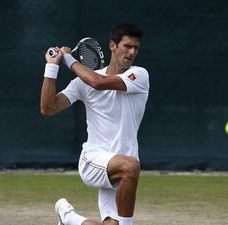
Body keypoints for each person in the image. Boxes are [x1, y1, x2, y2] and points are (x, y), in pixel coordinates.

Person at [40, 23, 149, 225]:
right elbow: (48, 108)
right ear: (112, 46)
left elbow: (97, 82)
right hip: (94, 159)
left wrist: (69, 59)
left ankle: (69, 218)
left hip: (122, 170)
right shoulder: (82, 83)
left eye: (136, 48)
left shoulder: (140, 75)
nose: (132, 52)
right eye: (127, 46)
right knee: (131, 166)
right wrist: (52, 66)